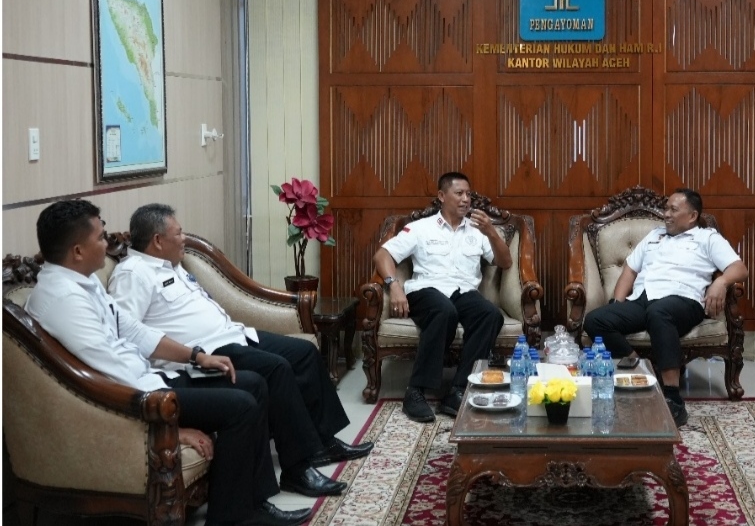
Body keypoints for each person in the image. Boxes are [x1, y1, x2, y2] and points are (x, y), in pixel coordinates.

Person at [24, 200, 312, 526]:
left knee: (252, 383)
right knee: (241, 406)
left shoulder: (83, 282)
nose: (108, 245)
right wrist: (168, 425)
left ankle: (255, 502)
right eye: (101, 238)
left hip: (151, 380)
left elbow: (135, 331)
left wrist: (196, 356)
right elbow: (108, 372)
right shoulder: (62, 299)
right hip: (142, 398)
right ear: (77, 251)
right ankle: (233, 518)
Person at [109, 203, 372, 499]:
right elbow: (127, 335)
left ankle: (324, 442)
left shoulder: (171, 264)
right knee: (276, 369)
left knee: (304, 352)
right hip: (205, 352)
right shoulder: (132, 274)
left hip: (233, 335)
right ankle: (298, 469)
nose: (183, 238)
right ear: (157, 240)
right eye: (178, 233)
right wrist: (187, 358)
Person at [582, 188, 748, 427]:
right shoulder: (654, 236)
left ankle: (673, 398)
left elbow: (739, 268)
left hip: (684, 300)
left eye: (673, 209)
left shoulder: (707, 238)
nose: (666, 214)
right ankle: (641, 371)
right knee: (596, 320)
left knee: (659, 312)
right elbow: (630, 270)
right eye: (666, 208)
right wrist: (617, 304)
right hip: (644, 298)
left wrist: (720, 282)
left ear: (692, 216)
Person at [373, 171, 511, 423]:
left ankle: (458, 390)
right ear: (441, 196)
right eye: (459, 193)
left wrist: (491, 231)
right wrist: (394, 286)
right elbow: (383, 255)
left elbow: (505, 262)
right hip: (426, 290)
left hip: (463, 291)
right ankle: (415, 391)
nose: (466, 199)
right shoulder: (420, 228)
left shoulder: (478, 231)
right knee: (444, 311)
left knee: (490, 315)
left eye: (468, 194)